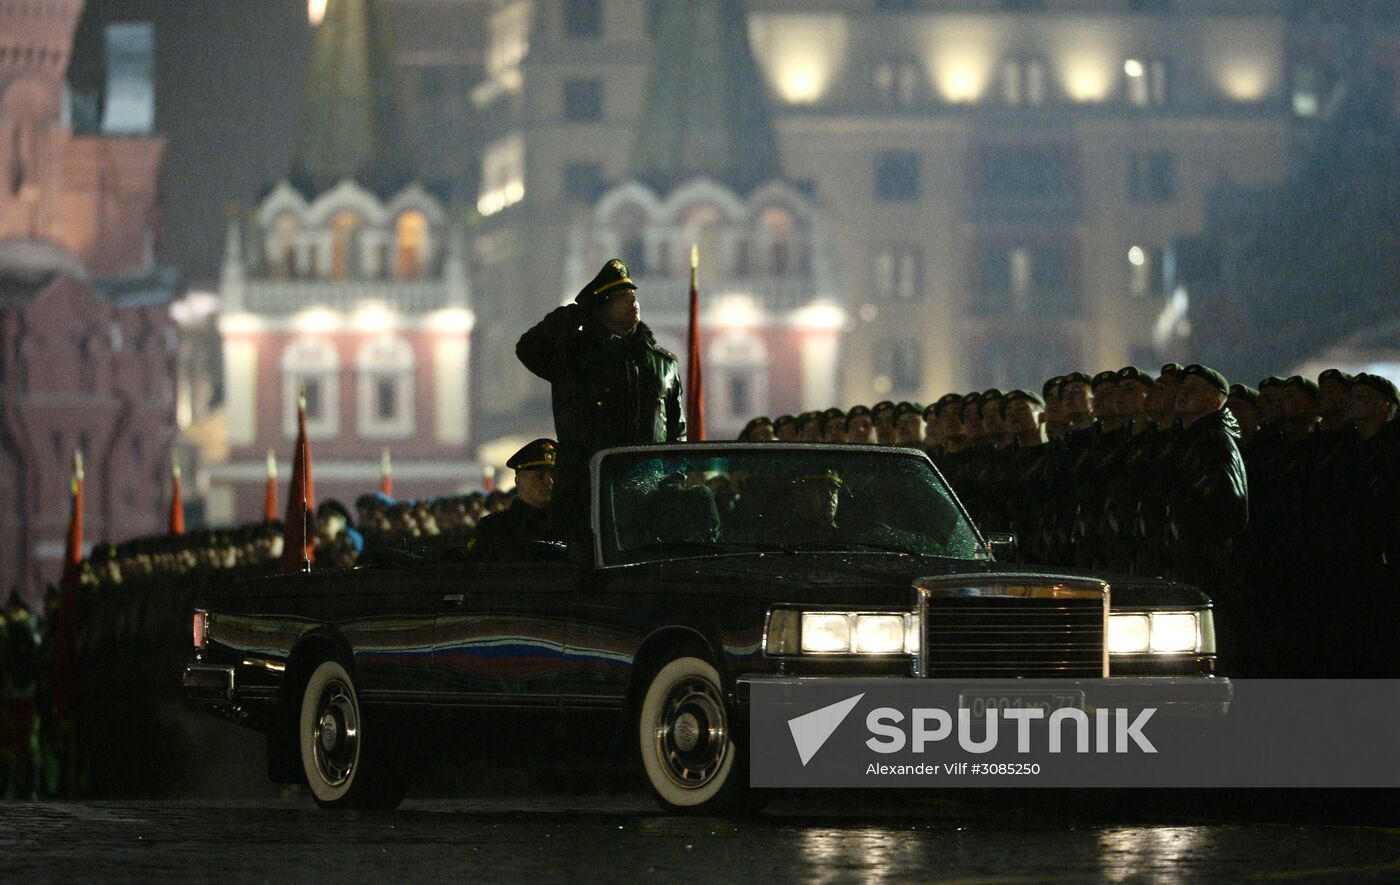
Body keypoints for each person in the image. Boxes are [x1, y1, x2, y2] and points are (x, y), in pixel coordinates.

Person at [517, 259, 685, 536]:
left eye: (633, 296)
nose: (633, 303)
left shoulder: (663, 364)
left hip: (648, 492)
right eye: (621, 297)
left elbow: (677, 431)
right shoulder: (576, 359)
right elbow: (528, 348)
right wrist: (576, 314)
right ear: (601, 308)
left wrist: (672, 481)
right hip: (587, 490)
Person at [468, 439, 564, 562]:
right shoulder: (495, 529)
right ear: (518, 481)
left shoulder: (569, 525)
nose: (549, 482)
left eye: (553, 475)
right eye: (539, 476)